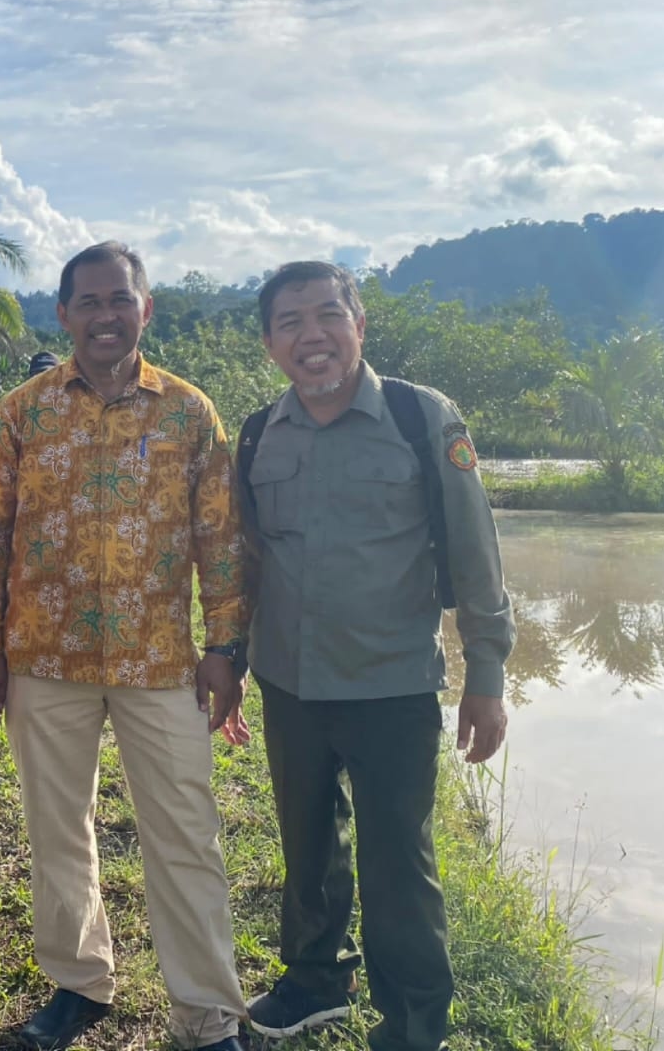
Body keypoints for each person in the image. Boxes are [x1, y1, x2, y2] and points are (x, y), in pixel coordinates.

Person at [0, 241, 249, 1051]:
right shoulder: (22, 413)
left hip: (158, 660)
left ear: (145, 309)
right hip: (43, 658)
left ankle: (204, 1013)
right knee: (58, 828)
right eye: (87, 302)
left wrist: (225, 645)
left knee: (186, 832)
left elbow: (220, 540)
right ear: (62, 315)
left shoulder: (189, 413)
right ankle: (80, 983)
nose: (104, 315)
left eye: (118, 299)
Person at [238, 261, 514, 1051]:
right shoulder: (260, 432)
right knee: (307, 846)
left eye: (328, 314)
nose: (311, 335)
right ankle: (317, 980)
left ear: (360, 324)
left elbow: (475, 555)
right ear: (269, 345)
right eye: (289, 322)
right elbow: (251, 560)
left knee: (399, 865)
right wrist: (229, 655)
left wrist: (486, 678)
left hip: (391, 685)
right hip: (289, 680)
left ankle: (415, 1021)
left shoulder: (421, 417)